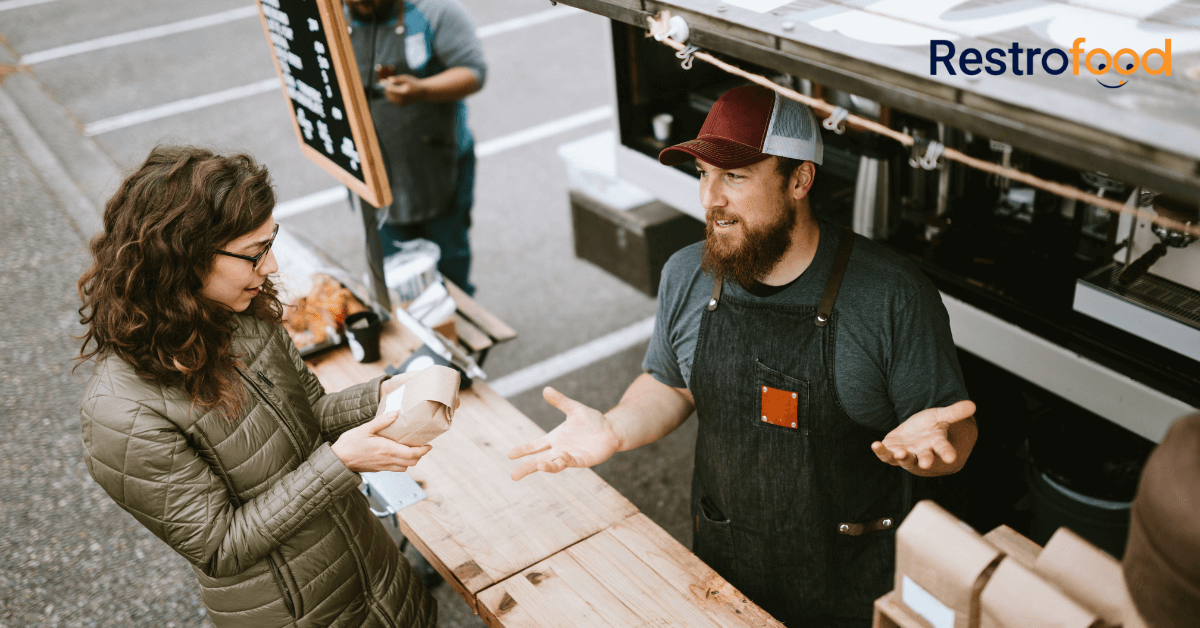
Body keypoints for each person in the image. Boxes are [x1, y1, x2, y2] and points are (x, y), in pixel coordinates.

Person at [508, 86, 978, 627]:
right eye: (704, 174)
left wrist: (936, 451)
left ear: (799, 180)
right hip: (724, 568)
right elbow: (670, 384)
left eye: (735, 176)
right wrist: (612, 430)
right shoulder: (686, 273)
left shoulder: (891, 294)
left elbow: (954, 436)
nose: (710, 199)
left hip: (851, 586)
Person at [77, 146, 439, 628]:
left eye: (270, 244)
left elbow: (307, 410)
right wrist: (341, 462)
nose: (270, 268)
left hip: (373, 569)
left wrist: (388, 393)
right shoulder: (120, 416)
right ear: (182, 256)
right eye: (253, 254)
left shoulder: (241, 315)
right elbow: (220, 547)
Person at [346, 0, 486, 295]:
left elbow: (473, 71)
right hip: (374, 175)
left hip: (438, 165)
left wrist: (423, 90)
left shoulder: (437, 13)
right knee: (396, 274)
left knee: (449, 266)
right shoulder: (330, 20)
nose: (361, 3)